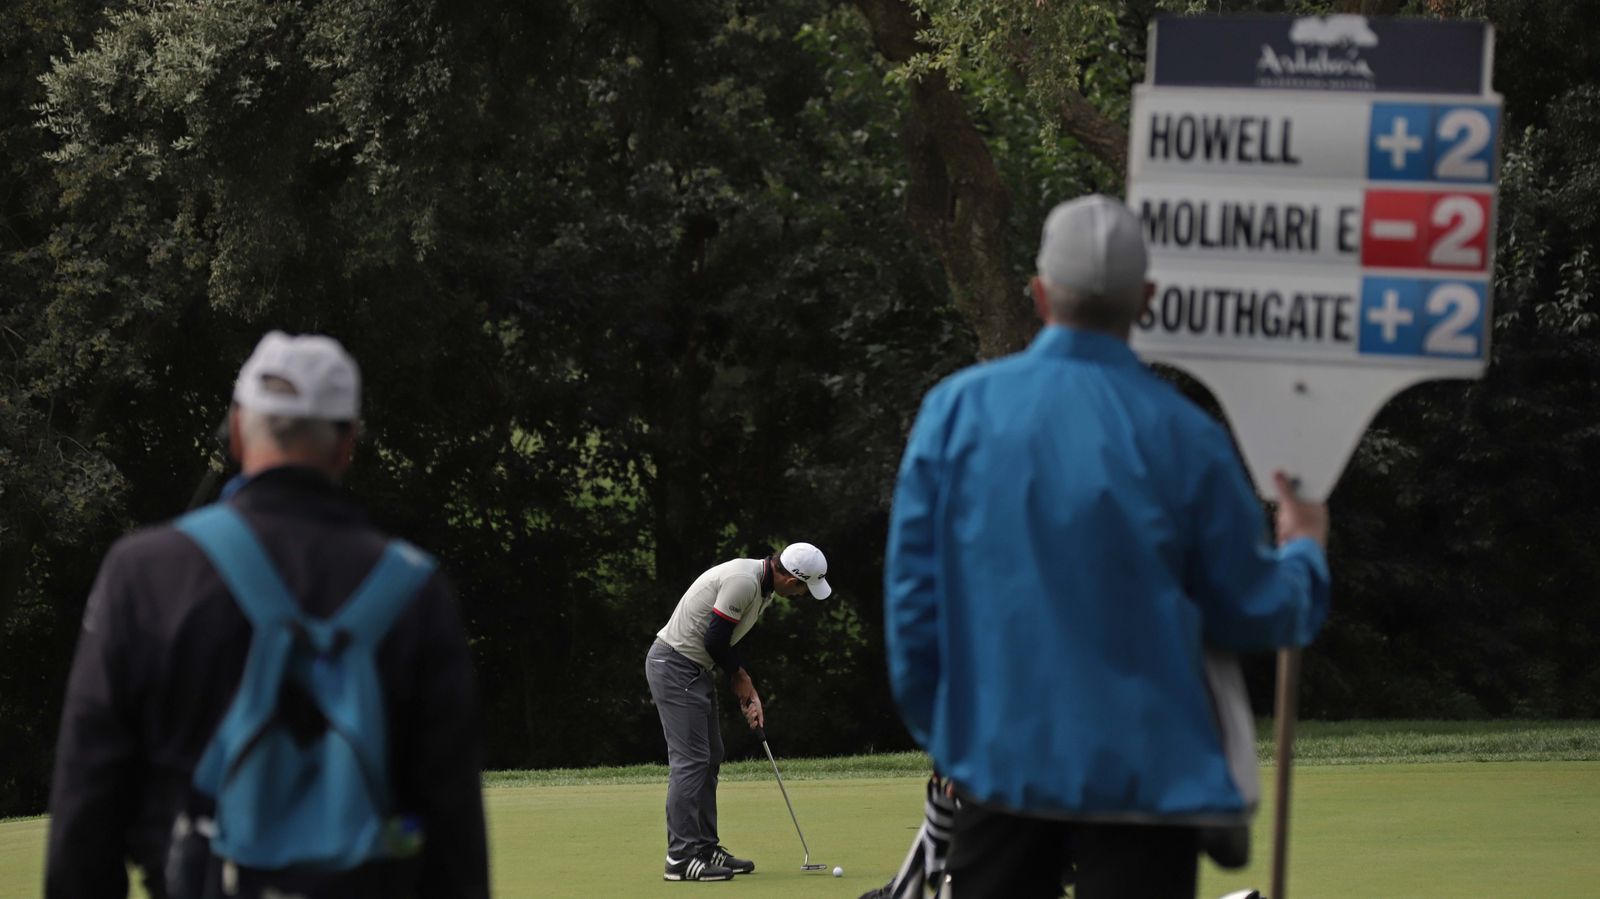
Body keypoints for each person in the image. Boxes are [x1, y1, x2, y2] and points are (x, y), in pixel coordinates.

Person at [883, 194, 1331, 898]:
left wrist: (950, 736)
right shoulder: (1189, 438)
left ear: (1039, 294)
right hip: (1147, 780)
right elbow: (1255, 611)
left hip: (1001, 761)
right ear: (1146, 301)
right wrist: (1304, 546)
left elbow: (914, 610)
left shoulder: (956, 412)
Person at [46, 331, 489, 898]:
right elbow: (454, 835)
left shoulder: (143, 572)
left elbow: (86, 813)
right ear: (346, 445)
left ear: (236, 430)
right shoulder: (416, 590)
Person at [646, 542, 833, 882]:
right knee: (691, 761)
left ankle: (704, 848)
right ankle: (680, 858)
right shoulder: (745, 581)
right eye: (804, 589)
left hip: (693, 668)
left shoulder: (763, 587)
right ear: (792, 580)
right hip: (674, 666)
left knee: (710, 756)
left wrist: (746, 686)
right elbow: (715, 639)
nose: (802, 596)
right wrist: (741, 677)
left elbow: (720, 644)